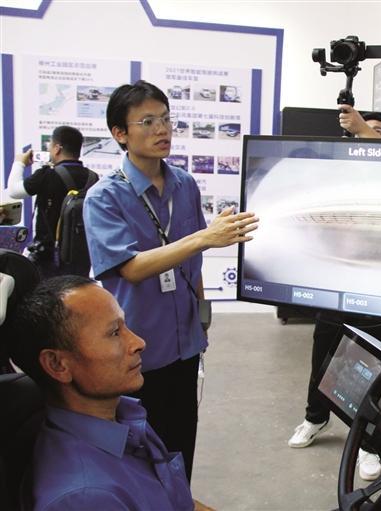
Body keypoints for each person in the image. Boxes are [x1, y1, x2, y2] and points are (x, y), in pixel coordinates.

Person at [83, 80, 258, 482]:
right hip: (139, 351)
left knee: (181, 448)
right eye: (147, 122)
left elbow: (191, 263)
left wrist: (202, 316)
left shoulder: (184, 184)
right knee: (142, 456)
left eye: (165, 119)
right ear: (120, 134)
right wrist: (205, 237)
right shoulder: (104, 197)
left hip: (185, 345)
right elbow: (131, 267)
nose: (162, 129)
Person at [8, 275, 213, 510]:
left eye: (125, 326)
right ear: (57, 364)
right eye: (114, 332)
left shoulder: (123, 415)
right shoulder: (86, 498)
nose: (139, 342)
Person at [288, 105, 381, 482]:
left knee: (375, 367)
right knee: (324, 354)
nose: (373, 136)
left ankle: (369, 442)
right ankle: (315, 417)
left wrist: (363, 129)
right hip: (337, 283)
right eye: (367, 132)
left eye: (380, 133)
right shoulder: (343, 175)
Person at [5, 126, 97, 278]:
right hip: (81, 258)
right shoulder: (93, 178)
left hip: (48, 258)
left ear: (57, 148)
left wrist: (19, 163)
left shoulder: (47, 174)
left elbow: (14, 191)